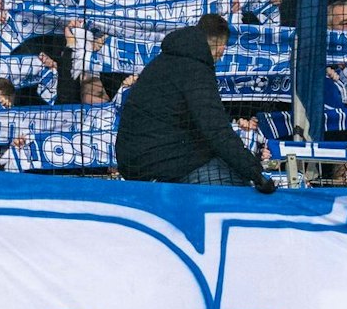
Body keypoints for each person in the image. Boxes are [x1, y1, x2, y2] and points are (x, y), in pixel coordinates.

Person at [115, 14, 275, 190]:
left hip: (134, 163)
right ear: (221, 49)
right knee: (239, 184)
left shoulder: (160, 62)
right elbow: (217, 131)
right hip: (162, 165)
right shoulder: (197, 71)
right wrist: (256, 173)